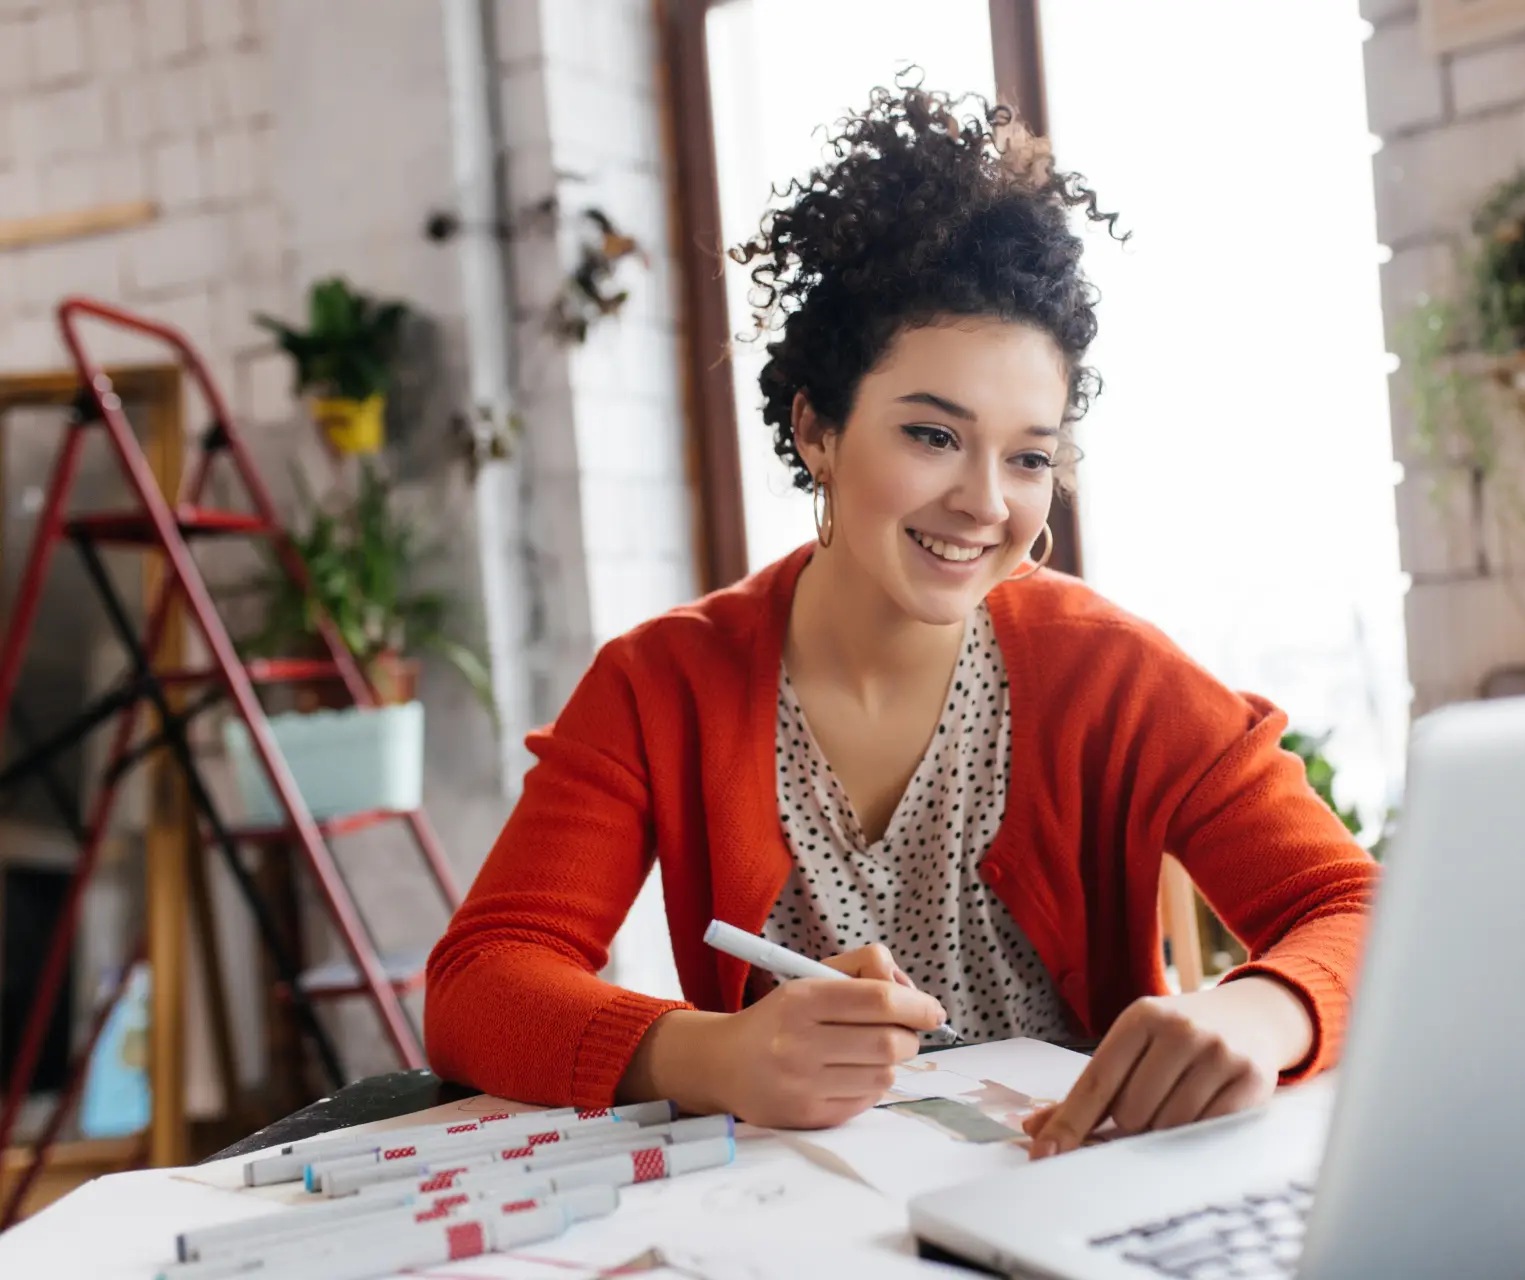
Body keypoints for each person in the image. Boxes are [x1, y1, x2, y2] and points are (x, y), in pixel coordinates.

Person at [424, 82, 1378, 1161]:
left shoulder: (1115, 675)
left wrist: (1259, 1012)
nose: (986, 502)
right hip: (793, 1216)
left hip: (1069, 1198)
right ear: (817, 431)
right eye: (933, 435)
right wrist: (713, 1055)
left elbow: (1361, 906)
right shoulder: (662, 684)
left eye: (1029, 456)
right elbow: (480, 981)